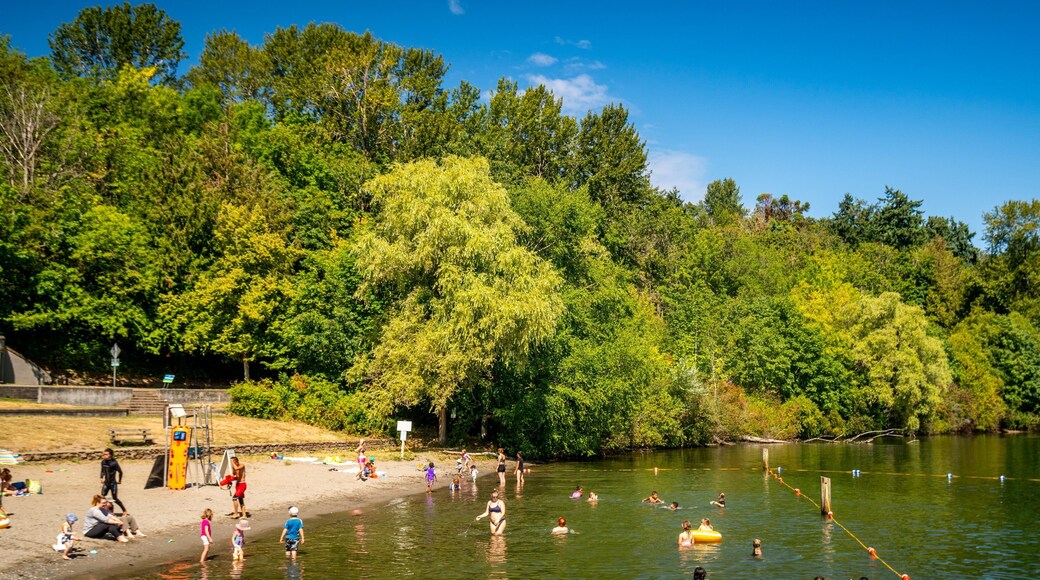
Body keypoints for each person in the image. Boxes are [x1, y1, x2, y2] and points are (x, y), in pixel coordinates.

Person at [99, 448, 127, 514]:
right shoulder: (103, 462)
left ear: (110, 455)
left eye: (106, 454)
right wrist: (101, 478)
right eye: (103, 454)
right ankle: (108, 511)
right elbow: (102, 471)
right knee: (102, 497)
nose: (104, 456)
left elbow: (120, 472)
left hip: (113, 483)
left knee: (115, 498)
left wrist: (119, 480)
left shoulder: (114, 463)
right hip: (106, 483)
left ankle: (124, 510)